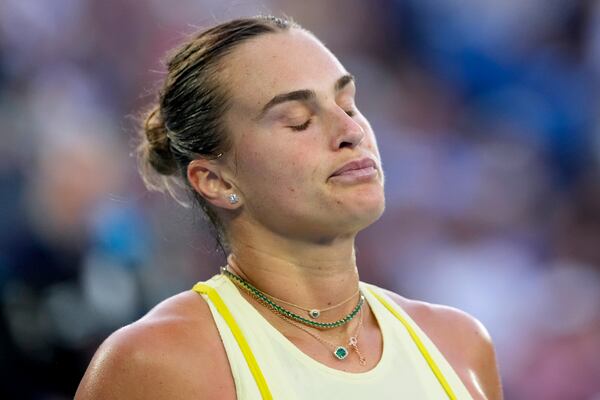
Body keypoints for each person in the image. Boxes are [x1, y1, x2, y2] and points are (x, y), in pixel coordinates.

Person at [75, 15, 502, 399]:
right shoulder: (156, 364)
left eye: (349, 103)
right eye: (299, 120)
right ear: (216, 180)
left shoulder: (459, 345)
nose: (351, 130)